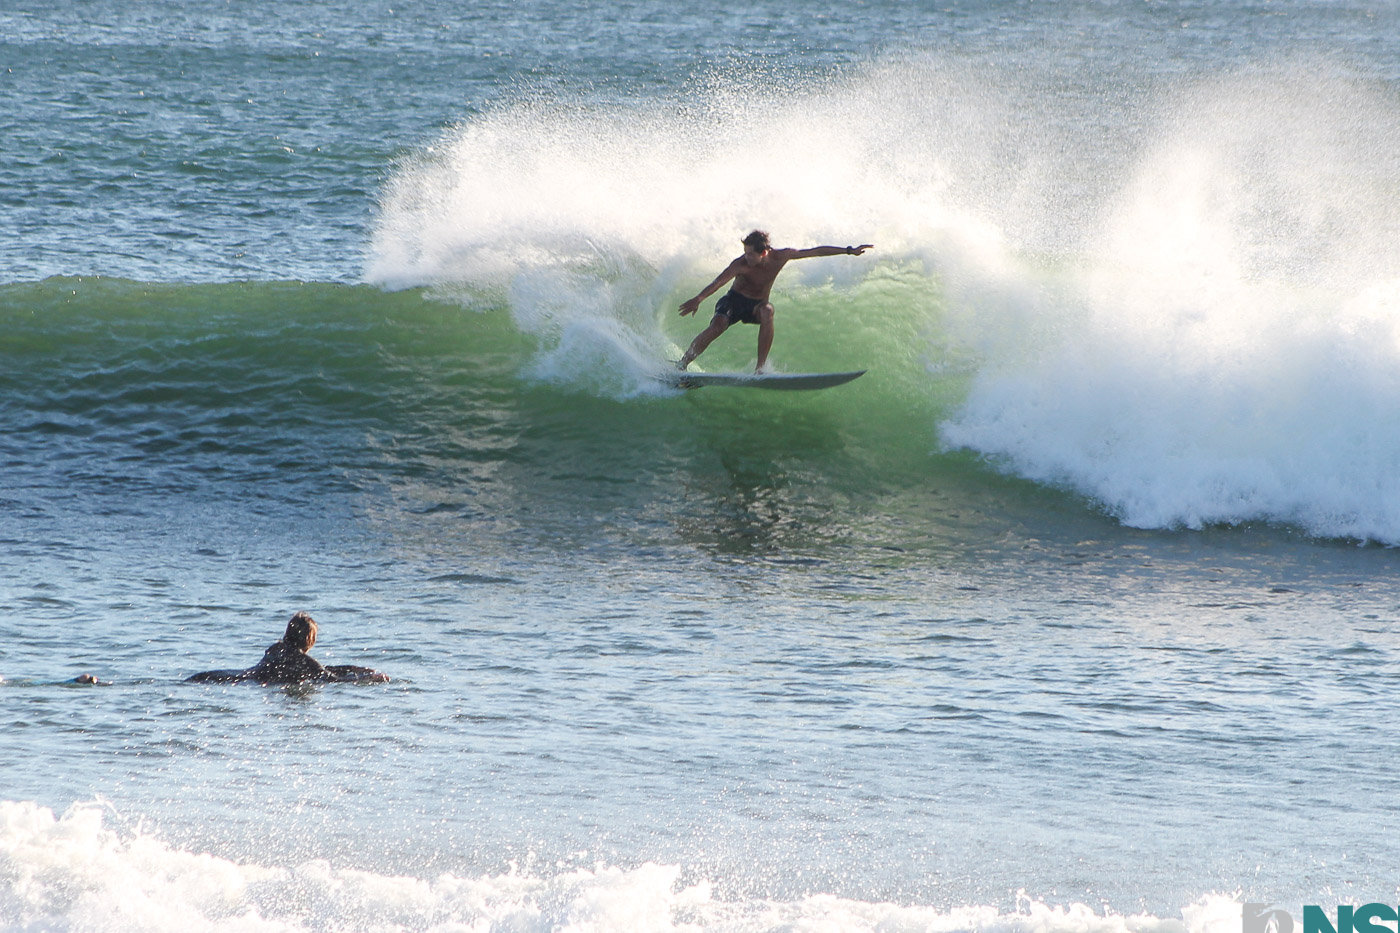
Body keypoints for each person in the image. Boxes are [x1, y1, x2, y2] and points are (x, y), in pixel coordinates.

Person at [678, 230, 874, 372]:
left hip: (756, 305)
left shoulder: (781, 256)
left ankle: (760, 369)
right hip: (733, 301)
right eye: (745, 252)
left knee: (768, 311)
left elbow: (815, 251)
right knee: (718, 325)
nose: (746, 257)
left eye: (750, 254)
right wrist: (699, 298)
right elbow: (719, 281)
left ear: (764, 253)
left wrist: (849, 250)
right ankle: (682, 364)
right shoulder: (740, 265)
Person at [186, 612, 389, 685]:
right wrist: (369, 679)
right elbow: (330, 679)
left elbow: (324, 669)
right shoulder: (303, 661)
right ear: (309, 639)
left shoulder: (276, 649)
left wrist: (357, 669)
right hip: (251, 683)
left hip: (235, 676)